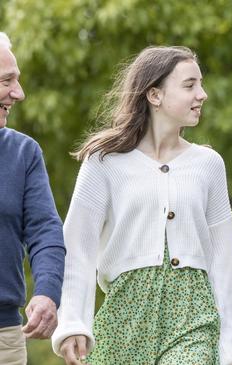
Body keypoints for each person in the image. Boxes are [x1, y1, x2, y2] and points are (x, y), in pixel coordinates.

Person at [51, 46, 232, 365]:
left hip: (193, 317)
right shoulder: (104, 162)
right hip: (123, 318)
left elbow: (224, 261)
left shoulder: (208, 164)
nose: (202, 94)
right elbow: (78, 247)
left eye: (201, 84)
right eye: (190, 85)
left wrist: (231, 349)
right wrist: (72, 322)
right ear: (154, 95)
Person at [0, 32, 66, 365]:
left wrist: (47, 292)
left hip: (4, 339)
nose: (18, 93)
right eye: (6, 81)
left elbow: (44, 231)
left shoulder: (23, 153)